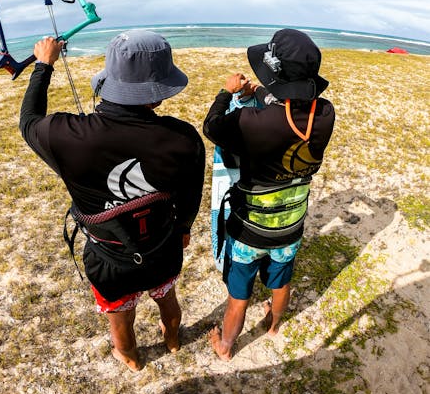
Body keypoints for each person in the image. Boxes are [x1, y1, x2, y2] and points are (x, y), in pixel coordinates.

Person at [20, 30, 205, 371]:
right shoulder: (183, 138)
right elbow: (191, 195)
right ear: (158, 95)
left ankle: (130, 357)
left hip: (109, 259)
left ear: (109, 82)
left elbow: (29, 120)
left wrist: (44, 65)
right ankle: (173, 339)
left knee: (119, 316)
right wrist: (184, 227)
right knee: (168, 299)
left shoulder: (65, 135)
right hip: (162, 248)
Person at [203, 28, 335, 360]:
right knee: (281, 280)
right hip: (292, 225)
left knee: (239, 294)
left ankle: (226, 346)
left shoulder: (251, 123)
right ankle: (274, 326)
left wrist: (227, 91)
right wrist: (261, 92)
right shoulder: (325, 114)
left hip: (251, 229)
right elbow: (284, 110)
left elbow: (213, 127)